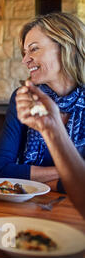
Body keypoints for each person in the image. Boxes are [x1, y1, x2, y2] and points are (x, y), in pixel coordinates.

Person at [0, 12, 84, 192]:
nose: (25, 60)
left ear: (67, 48)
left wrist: (44, 179)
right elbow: (1, 169)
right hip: (33, 206)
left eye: (34, 49)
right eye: (25, 52)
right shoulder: (24, 98)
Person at [16, 82, 85, 218]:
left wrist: (37, 183)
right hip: (32, 210)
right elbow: (3, 171)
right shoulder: (27, 99)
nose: (25, 61)